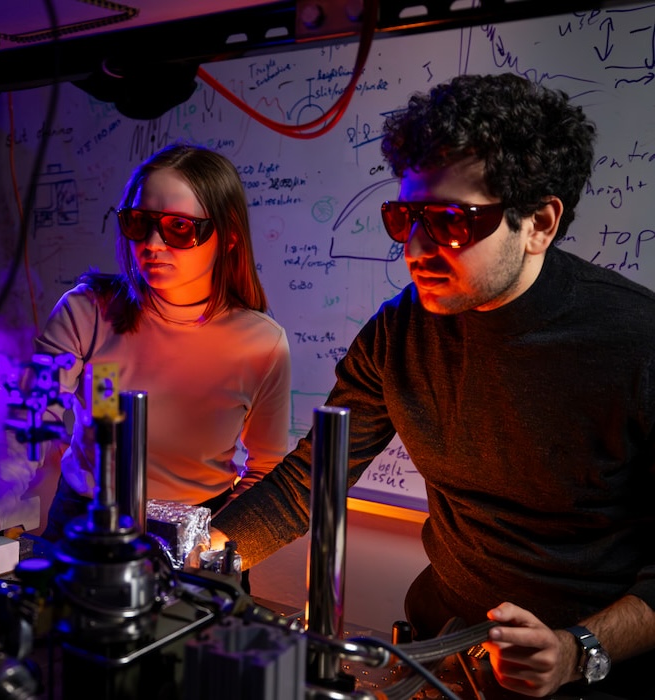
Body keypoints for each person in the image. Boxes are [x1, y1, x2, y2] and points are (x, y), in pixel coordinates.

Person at [208, 73, 655, 699]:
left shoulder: (638, 343)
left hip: (582, 662)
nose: (415, 249)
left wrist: (580, 648)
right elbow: (311, 481)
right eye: (405, 217)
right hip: (441, 645)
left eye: (449, 221)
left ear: (539, 224)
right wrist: (199, 556)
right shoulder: (401, 330)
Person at [0, 142, 291, 608]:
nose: (152, 245)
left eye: (179, 228)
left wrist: (216, 542)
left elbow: (267, 470)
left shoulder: (262, 344)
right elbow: (28, 426)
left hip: (199, 534)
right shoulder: (88, 312)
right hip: (84, 524)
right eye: (138, 223)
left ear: (227, 238)